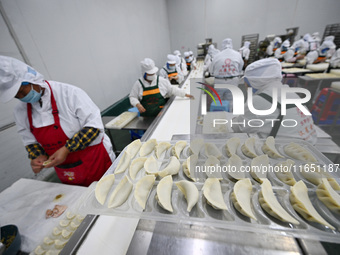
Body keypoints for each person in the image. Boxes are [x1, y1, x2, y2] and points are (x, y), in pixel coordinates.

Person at [0, 56, 115, 186]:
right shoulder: (20, 111)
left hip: (94, 159)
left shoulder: (69, 93)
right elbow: (29, 141)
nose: (22, 97)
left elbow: (94, 127)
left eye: (22, 91)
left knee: (107, 191)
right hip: (66, 169)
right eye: (17, 96)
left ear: (31, 79)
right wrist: (37, 156)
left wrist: (66, 149)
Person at [232, 58, 317, 145]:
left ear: (253, 82)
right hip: (310, 147)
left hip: (285, 151)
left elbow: (239, 128)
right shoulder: (292, 94)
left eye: (246, 83)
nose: (246, 87)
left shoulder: (258, 101)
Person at [129, 58, 194, 117]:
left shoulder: (161, 80)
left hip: (161, 114)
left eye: (153, 73)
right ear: (144, 73)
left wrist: (185, 94)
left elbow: (172, 89)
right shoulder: (138, 84)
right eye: (150, 74)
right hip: (147, 116)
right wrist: (137, 104)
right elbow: (132, 96)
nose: (152, 75)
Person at [208, 38, 244, 108]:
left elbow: (211, 70)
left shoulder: (217, 55)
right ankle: (229, 117)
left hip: (219, 81)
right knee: (231, 101)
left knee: (217, 101)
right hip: (233, 81)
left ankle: (217, 116)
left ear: (222, 45)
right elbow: (240, 68)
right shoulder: (237, 54)